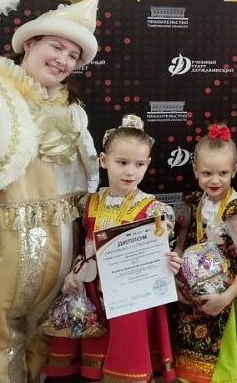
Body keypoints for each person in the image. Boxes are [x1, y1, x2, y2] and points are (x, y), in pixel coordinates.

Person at [0, 0, 101, 382]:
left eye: (73, 56)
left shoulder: (72, 113)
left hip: (59, 268)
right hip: (0, 257)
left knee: (43, 348)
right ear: (29, 43)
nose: (63, 60)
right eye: (56, 47)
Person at [43, 114, 181, 381]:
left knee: (124, 363)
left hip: (130, 300)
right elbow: (81, 248)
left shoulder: (155, 210)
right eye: (122, 162)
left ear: (148, 164)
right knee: (88, 364)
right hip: (91, 294)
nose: (130, 171)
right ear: (104, 160)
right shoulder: (88, 203)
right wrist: (73, 274)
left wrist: (170, 264)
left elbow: (159, 257)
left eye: (139, 164)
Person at [170, 122, 237, 383]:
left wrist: (225, 299)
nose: (215, 180)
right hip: (191, 301)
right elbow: (181, 245)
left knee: (220, 371)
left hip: (223, 303)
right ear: (195, 170)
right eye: (207, 173)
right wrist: (176, 273)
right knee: (191, 369)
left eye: (223, 173)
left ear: (234, 171)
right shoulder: (193, 203)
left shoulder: (236, 213)